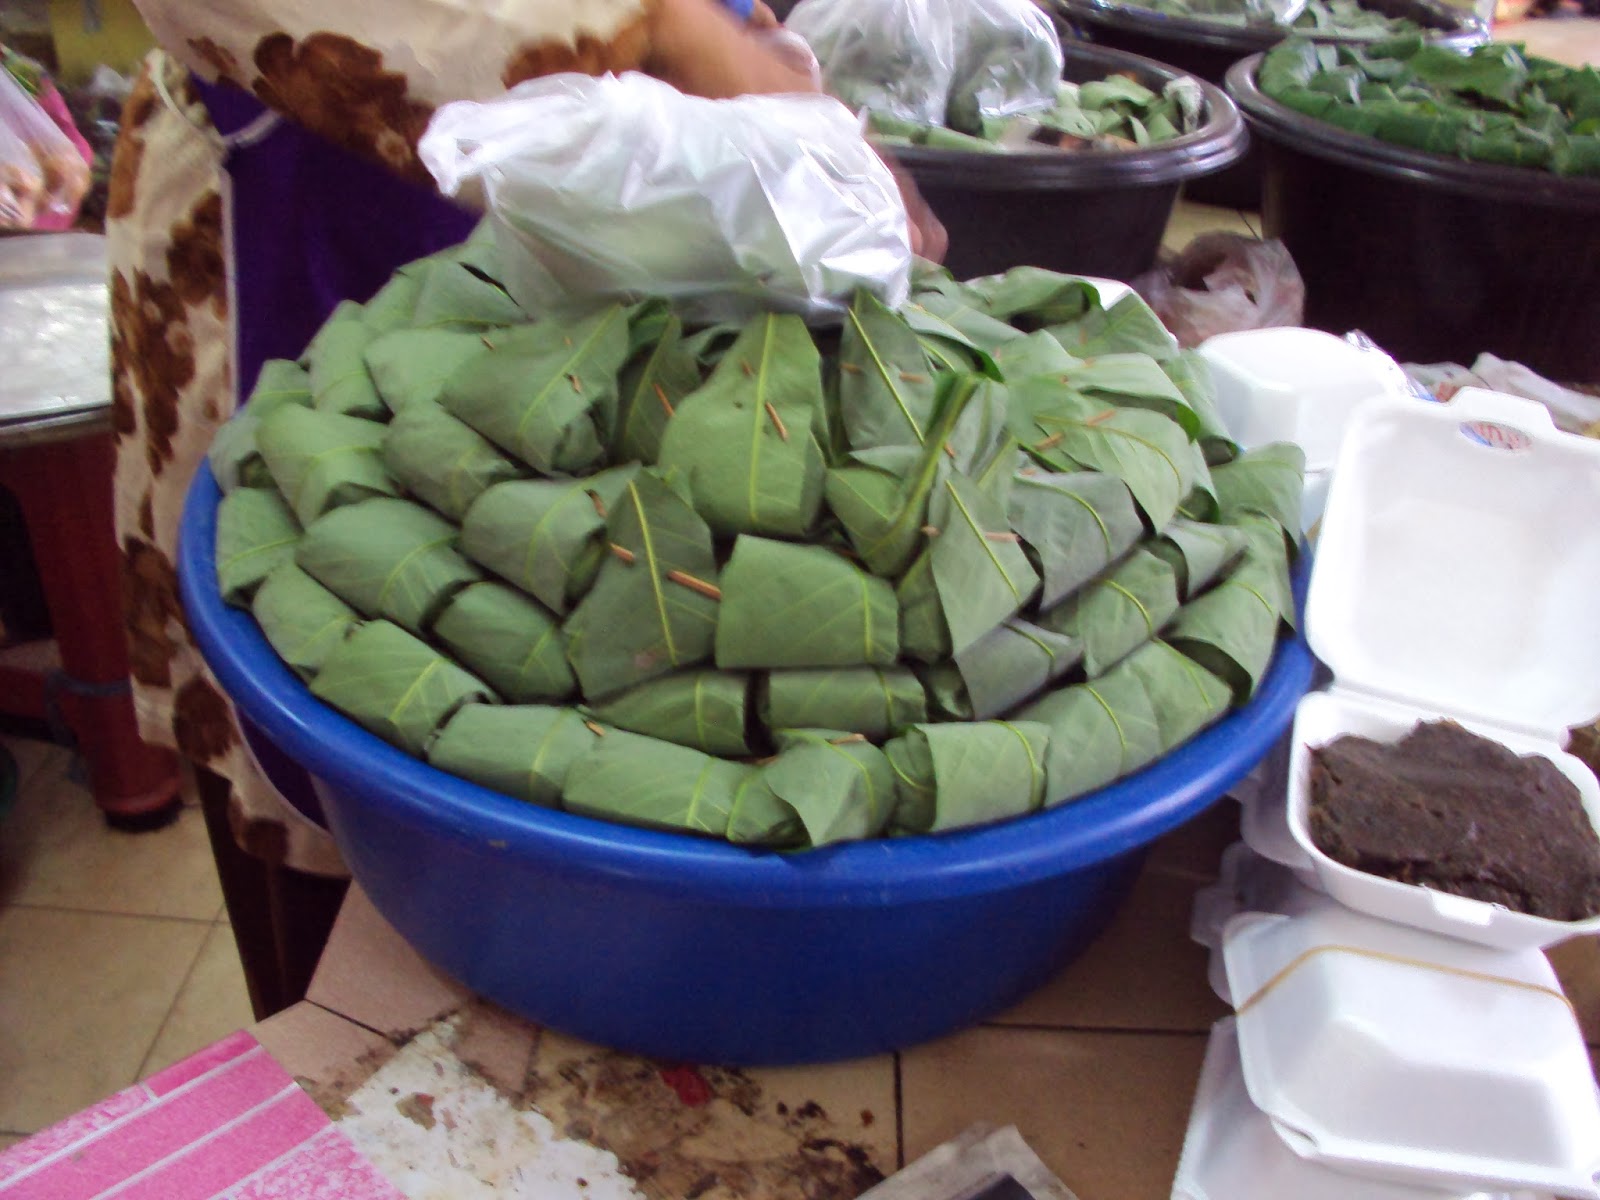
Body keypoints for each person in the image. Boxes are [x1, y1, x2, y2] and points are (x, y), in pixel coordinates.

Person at [108, 0, 945, 1014]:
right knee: (330, 739)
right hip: (307, 202)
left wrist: (744, 55)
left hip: (627, 215)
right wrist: (672, 30)